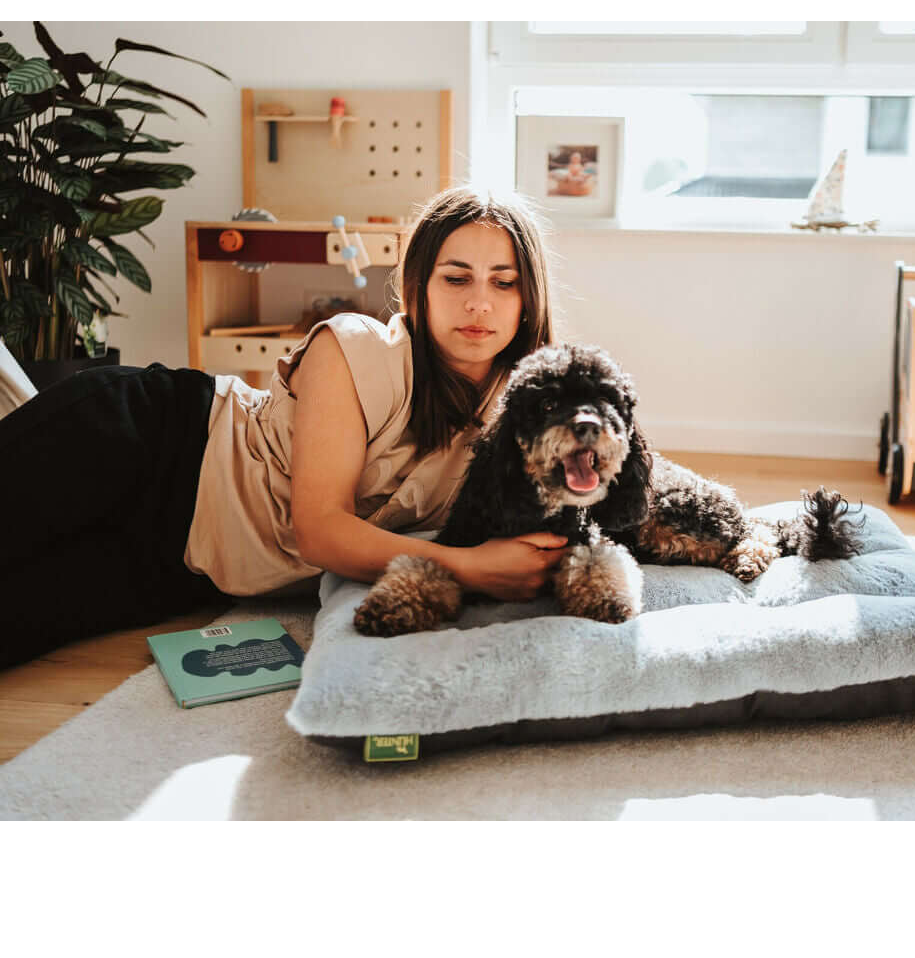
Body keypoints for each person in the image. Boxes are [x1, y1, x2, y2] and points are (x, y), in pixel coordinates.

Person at [0, 186, 569, 671]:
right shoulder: (354, 345)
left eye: (503, 282)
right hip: (145, 445)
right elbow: (321, 530)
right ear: (418, 285)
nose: (479, 303)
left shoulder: (526, 408)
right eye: (456, 278)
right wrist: (472, 568)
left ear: (528, 298)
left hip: (187, 563)